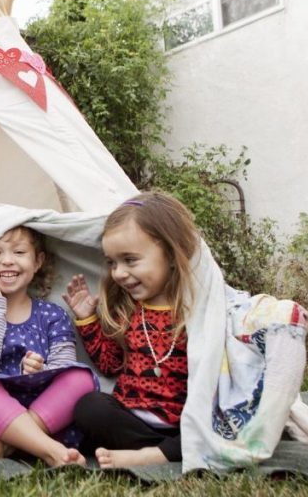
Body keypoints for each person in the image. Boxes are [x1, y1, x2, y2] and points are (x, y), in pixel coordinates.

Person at [63, 192, 196, 468]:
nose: (119, 273)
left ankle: (153, 455)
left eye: (130, 260)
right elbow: (109, 365)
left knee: (212, 422)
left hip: (183, 425)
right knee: (90, 406)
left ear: (171, 254)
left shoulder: (196, 313)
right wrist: (87, 320)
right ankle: (154, 452)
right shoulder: (128, 311)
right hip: (131, 422)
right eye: (112, 263)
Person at [0, 226, 97, 467]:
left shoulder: (53, 314)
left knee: (81, 376)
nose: (7, 261)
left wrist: (41, 370)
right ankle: (52, 451)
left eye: (19, 252)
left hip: (49, 417)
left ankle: (9, 446)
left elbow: (64, 367)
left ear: (38, 261)